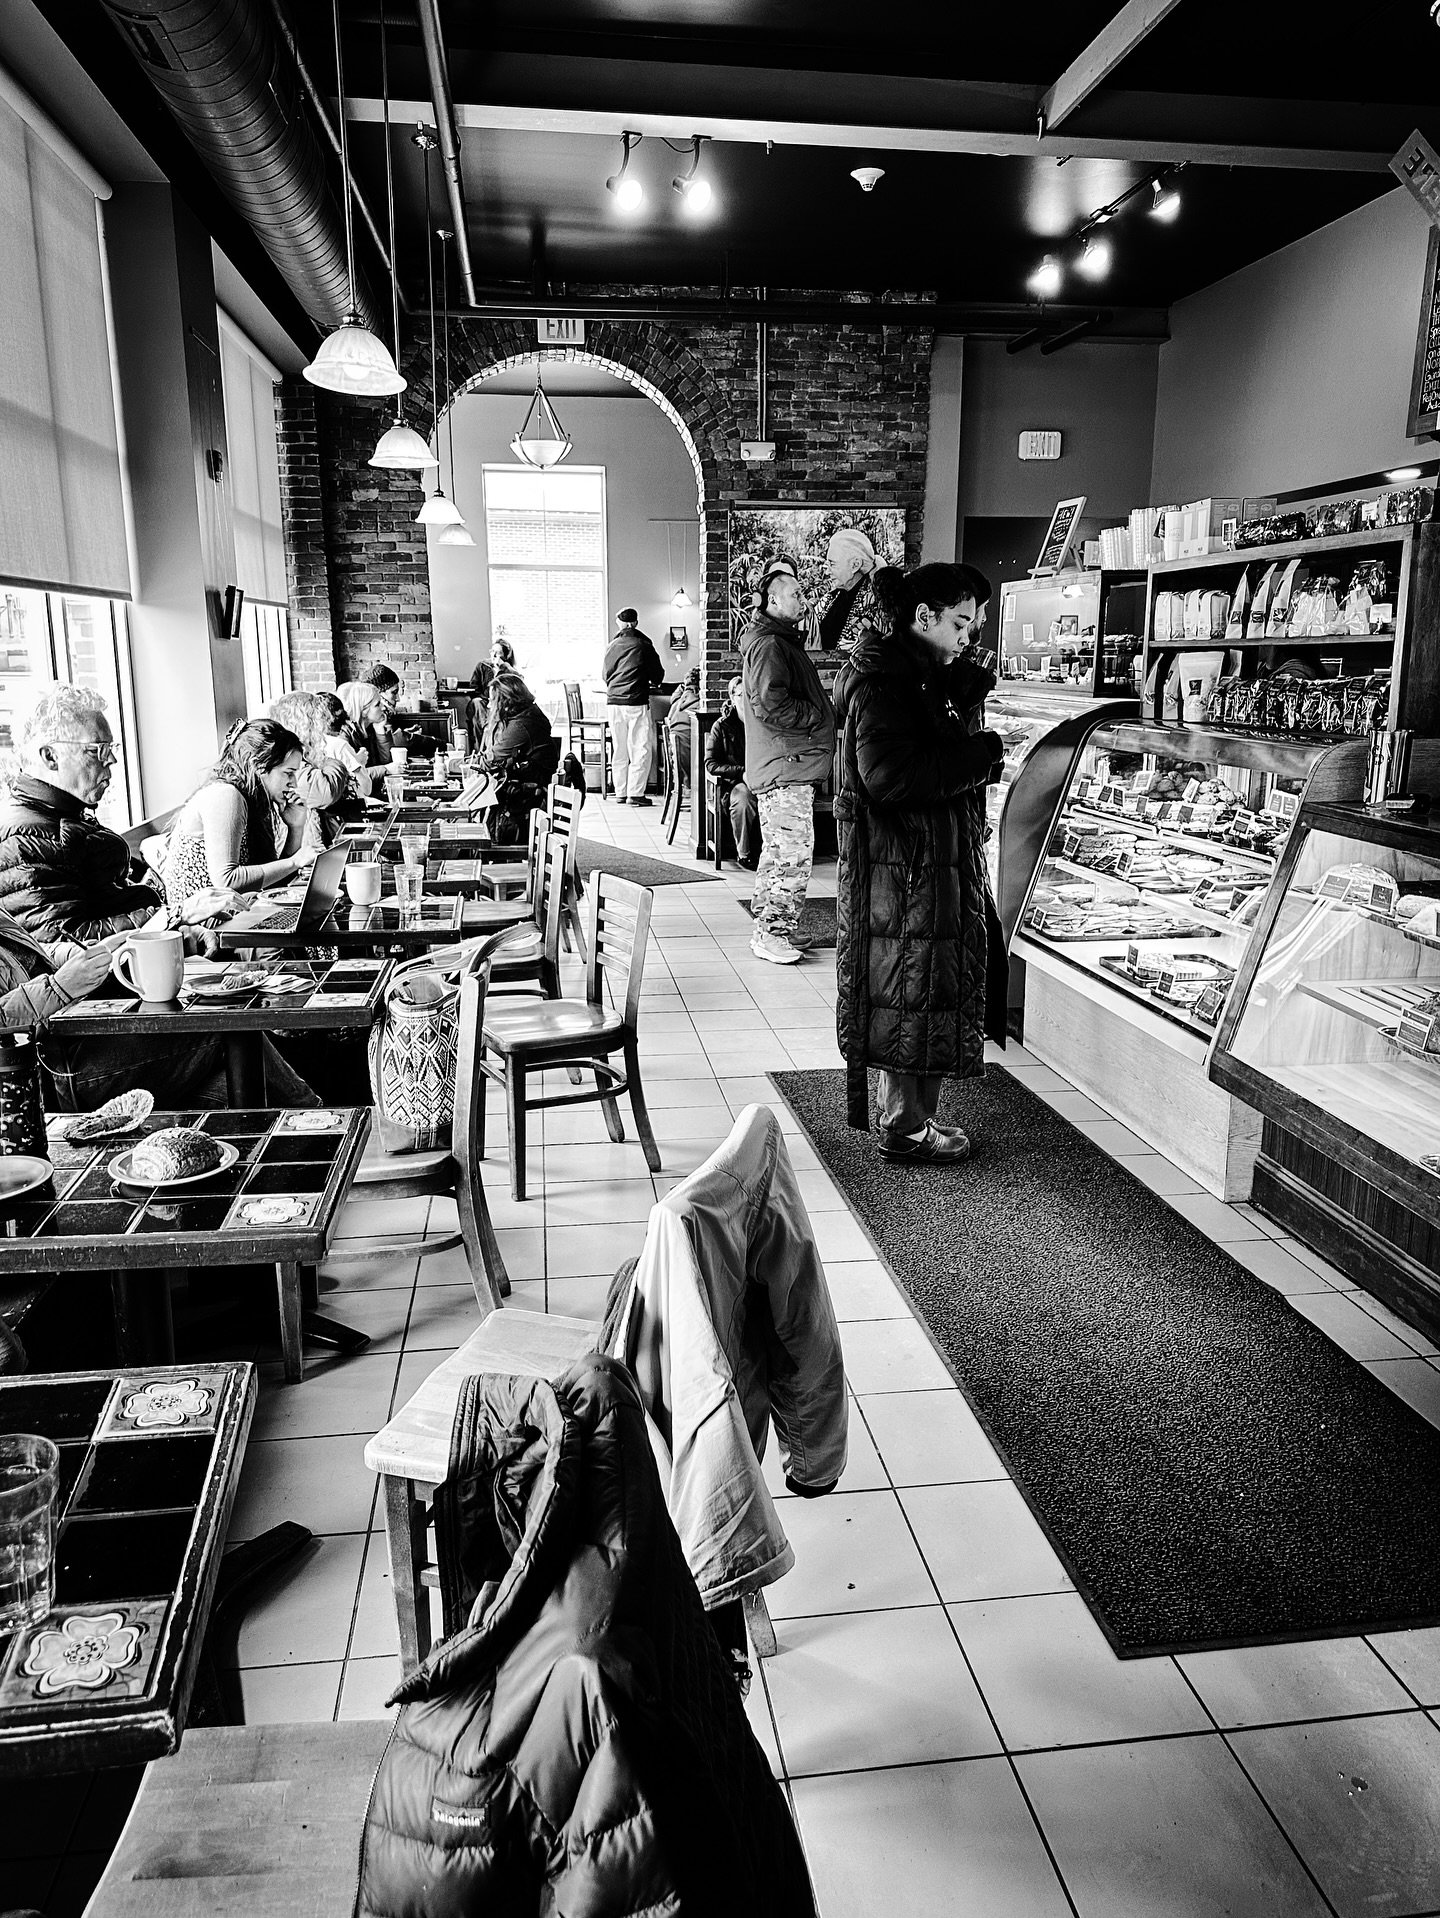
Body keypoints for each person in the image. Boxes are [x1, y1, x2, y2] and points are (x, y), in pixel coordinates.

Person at [832, 562, 1008, 1165]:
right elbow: (891, 776)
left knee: (917, 987)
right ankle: (908, 1128)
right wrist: (979, 755)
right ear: (923, 616)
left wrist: (963, 697)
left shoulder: (916, 675)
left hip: (916, 864)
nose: (968, 636)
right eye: (960, 623)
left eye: (975, 624)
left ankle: (910, 1119)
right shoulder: (888, 682)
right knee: (913, 987)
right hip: (905, 867)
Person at [0, 685, 236, 945]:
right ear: (50, 757)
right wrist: (174, 917)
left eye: (111, 747)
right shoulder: (25, 838)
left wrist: (178, 935)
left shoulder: (64, 815)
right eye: (97, 749)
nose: (111, 758)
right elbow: (69, 946)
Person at [740, 565, 835, 964]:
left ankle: (775, 929)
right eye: (795, 593)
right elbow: (770, 702)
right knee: (789, 855)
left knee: (782, 852)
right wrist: (817, 715)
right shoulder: (771, 645)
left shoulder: (777, 642)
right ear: (774, 600)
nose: (803, 600)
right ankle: (771, 935)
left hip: (787, 765)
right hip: (785, 767)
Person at [163, 720, 317, 915]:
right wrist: (295, 861)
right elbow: (227, 881)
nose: (293, 783)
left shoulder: (251, 798)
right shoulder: (226, 795)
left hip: (231, 915)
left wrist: (296, 827)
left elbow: (273, 887)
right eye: (288, 773)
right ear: (259, 766)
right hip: (203, 925)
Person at [477, 671, 560, 843]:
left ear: (505, 701)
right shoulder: (528, 715)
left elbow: (491, 760)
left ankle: (484, 852)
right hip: (532, 792)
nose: (489, 705)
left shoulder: (521, 725)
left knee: (473, 806)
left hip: (528, 800)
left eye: (493, 700)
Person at [267, 691, 355, 846]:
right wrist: (333, 763)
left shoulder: (298, 756)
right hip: (302, 850)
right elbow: (325, 792)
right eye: (317, 722)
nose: (322, 729)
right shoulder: (291, 760)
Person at [603, 606, 664, 807]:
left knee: (619, 748)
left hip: (613, 702)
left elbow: (605, 675)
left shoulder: (612, 645)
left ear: (620, 623)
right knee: (640, 747)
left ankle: (620, 791)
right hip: (636, 701)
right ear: (636, 623)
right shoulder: (644, 645)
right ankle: (635, 793)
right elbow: (657, 675)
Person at [705, 676, 761, 869]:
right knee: (743, 799)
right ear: (732, 698)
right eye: (739, 695)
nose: (744, 699)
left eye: (748, 694)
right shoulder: (721, 726)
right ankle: (744, 854)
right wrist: (741, 773)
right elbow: (711, 764)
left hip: (764, 778)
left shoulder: (762, 722)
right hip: (733, 784)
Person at [818, 527, 882, 654]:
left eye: (832, 564)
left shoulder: (876, 604)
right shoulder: (830, 597)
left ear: (855, 565)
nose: (826, 570)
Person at [664, 664, 702, 788]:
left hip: (677, 759)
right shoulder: (698, 705)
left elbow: (674, 697)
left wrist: (685, 686)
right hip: (691, 765)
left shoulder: (678, 701)